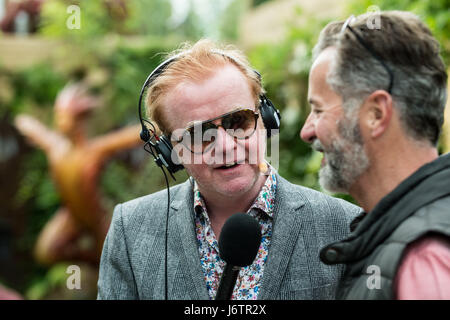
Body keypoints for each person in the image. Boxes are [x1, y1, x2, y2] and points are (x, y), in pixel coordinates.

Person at [97, 39, 362, 300]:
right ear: (171, 152)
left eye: (238, 120)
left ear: (266, 119)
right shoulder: (130, 231)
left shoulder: (346, 226)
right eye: (199, 133)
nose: (224, 145)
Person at [300, 11, 450, 299]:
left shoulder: (426, 260)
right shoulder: (399, 237)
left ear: (376, 114)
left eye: (318, 110)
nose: (306, 131)